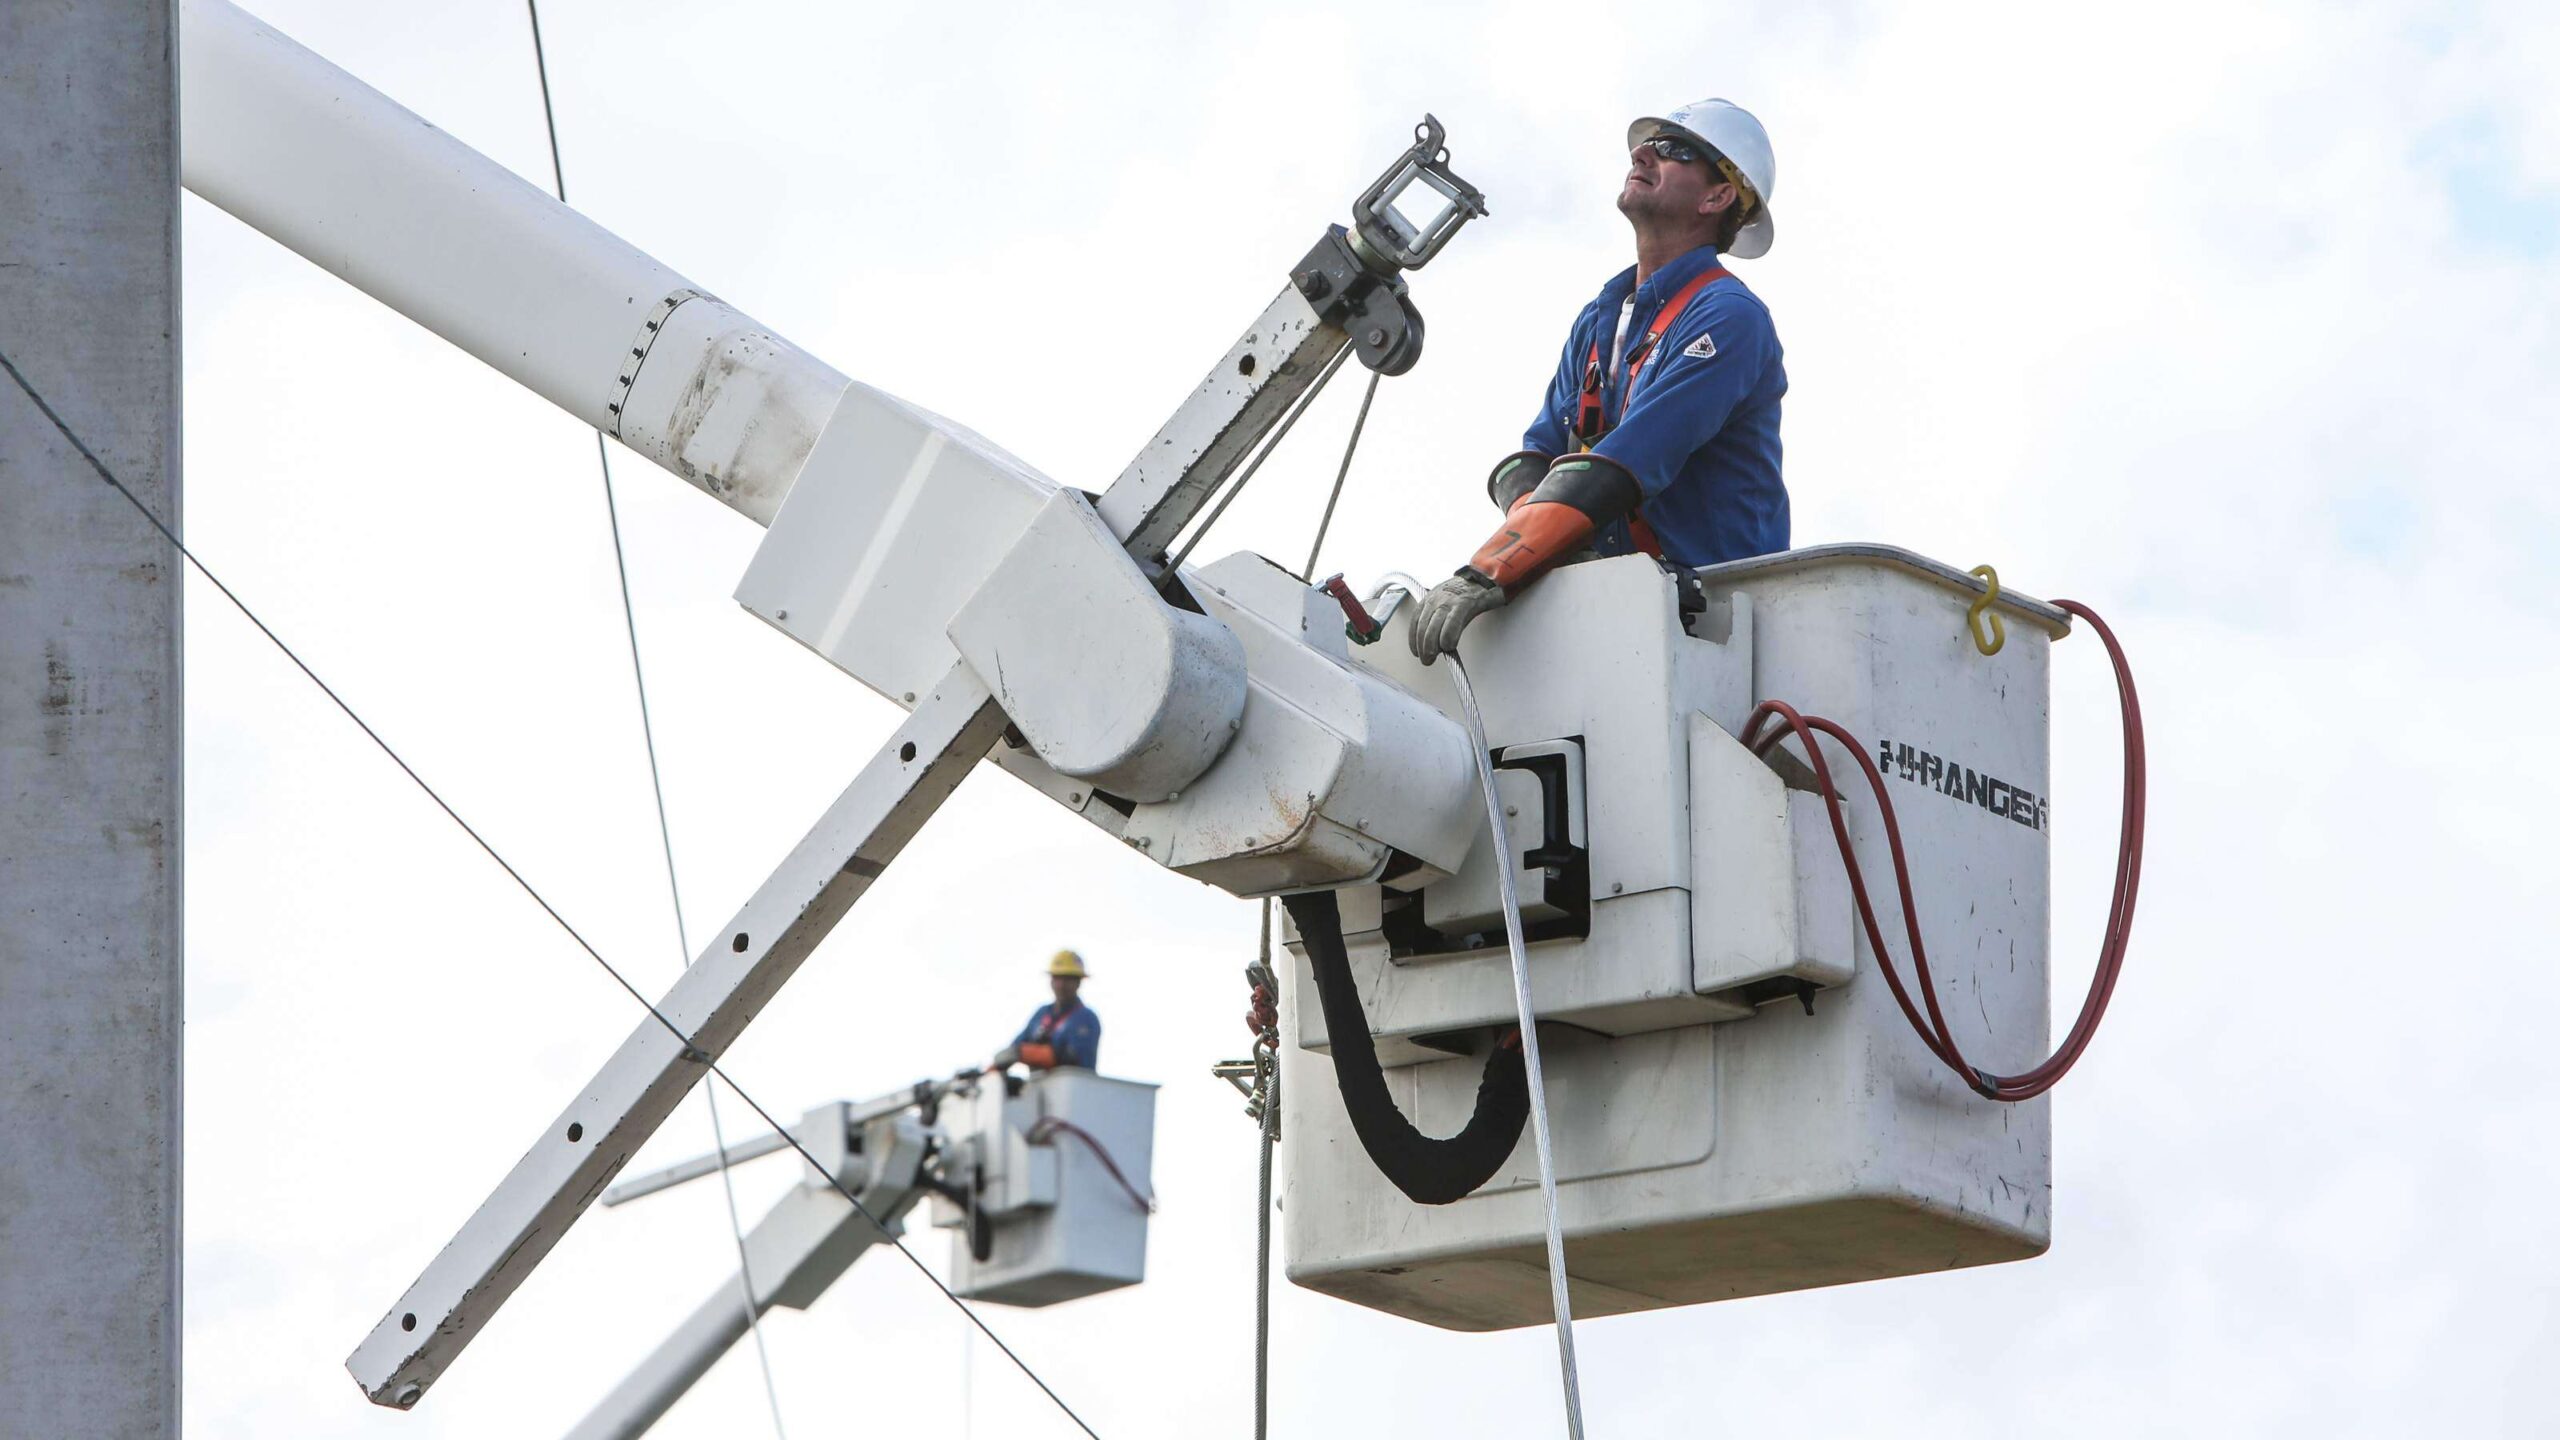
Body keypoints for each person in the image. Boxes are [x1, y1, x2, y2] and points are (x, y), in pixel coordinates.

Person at [1409, 98, 1787, 664]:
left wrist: (1492, 569)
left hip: (1719, 638)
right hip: (1620, 613)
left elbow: (1628, 463)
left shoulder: (1729, 317)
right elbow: (1532, 462)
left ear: (1717, 196)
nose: (1642, 154)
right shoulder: (1601, 318)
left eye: (1672, 149)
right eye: (1645, 144)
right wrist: (1539, 548)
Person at [991, 949, 1102, 1072]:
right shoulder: (1042, 1014)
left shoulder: (1086, 1018)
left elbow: (1073, 1058)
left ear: (1078, 982)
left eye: (1067, 979)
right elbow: (1014, 1048)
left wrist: (1026, 1053)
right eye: (1057, 978)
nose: (1061, 985)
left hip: (1073, 1082)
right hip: (1040, 1083)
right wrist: (992, 1070)